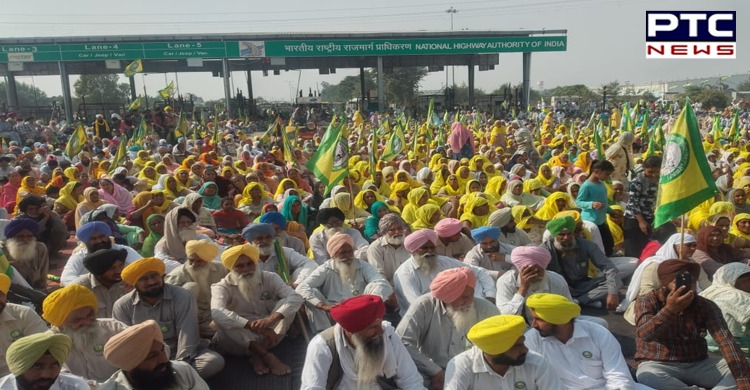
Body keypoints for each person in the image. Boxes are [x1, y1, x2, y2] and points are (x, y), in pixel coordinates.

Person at [635, 259, 750, 389]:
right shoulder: (647, 301)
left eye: (692, 282)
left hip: (699, 364)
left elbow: (726, 342)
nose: (687, 287)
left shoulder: (705, 305)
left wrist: (742, 378)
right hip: (659, 364)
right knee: (646, 375)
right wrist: (670, 310)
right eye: (679, 282)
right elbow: (645, 334)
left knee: (745, 366)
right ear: (664, 284)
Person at [113, 257, 225, 379]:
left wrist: (181, 364)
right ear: (134, 283)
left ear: (161, 276)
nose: (151, 282)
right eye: (144, 279)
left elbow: (187, 333)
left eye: (154, 276)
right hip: (146, 359)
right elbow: (127, 344)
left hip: (179, 354)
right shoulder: (122, 306)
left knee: (214, 362)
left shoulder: (181, 295)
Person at [396, 268, 500, 389]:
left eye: (471, 294)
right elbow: (402, 342)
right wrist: (435, 372)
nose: (469, 301)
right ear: (446, 297)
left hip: (473, 372)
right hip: (429, 372)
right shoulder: (424, 305)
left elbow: (499, 344)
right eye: (463, 297)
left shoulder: (486, 309)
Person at [211, 244, 303, 376]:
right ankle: (267, 356)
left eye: (250, 264)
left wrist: (271, 319)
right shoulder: (221, 286)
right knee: (222, 318)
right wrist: (248, 325)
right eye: (239, 266)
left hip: (269, 336)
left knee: (287, 304)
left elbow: (296, 298)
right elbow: (216, 312)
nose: (246, 269)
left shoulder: (269, 277)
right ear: (230, 268)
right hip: (238, 343)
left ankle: (258, 355)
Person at [300, 295, 424, 389]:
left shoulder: (388, 334)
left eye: (380, 324)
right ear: (350, 331)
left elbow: (410, 379)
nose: (380, 331)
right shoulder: (322, 346)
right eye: (373, 328)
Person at [524, 293, 642, 390]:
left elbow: (618, 376)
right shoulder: (532, 340)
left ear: (558, 320)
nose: (533, 324)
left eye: (539, 319)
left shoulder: (598, 333)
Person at [296, 233, 393, 334]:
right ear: (334, 254)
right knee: (312, 292)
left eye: (350, 252)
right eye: (343, 253)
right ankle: (325, 333)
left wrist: (366, 304)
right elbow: (302, 287)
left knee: (377, 285)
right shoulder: (325, 268)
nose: (348, 256)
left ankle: (370, 323)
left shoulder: (362, 265)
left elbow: (381, 282)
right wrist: (323, 306)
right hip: (333, 312)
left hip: (360, 311)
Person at [392, 229, 496, 316]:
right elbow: (417, 305)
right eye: (424, 248)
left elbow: (479, 272)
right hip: (426, 317)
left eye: (432, 247)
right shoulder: (405, 273)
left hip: (457, 309)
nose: (429, 251)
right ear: (413, 250)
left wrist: (490, 296)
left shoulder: (443, 261)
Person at [444, 314, 561, 390]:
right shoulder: (462, 365)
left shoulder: (537, 363)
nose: (525, 350)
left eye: (523, 343)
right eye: (517, 346)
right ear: (495, 351)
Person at [42, 284, 127, 384]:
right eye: (77, 320)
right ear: (60, 323)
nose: (86, 322)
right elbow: (64, 380)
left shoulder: (114, 328)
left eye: (90, 315)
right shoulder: (50, 344)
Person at [101, 319, 209, 390]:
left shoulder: (183, 371)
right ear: (131, 366)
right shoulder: (112, 388)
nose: (163, 359)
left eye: (162, 350)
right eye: (152, 356)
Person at [541, 216, 621, 309]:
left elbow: (609, 268)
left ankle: (578, 301)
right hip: (557, 288)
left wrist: (612, 293)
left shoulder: (586, 245)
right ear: (555, 235)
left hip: (582, 285)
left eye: (569, 234)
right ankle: (585, 300)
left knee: (616, 283)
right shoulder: (544, 250)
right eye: (562, 235)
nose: (566, 238)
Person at [164, 239, 227, 339]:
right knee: (190, 287)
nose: (194, 264)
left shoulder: (221, 269)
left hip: (219, 313)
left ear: (208, 259)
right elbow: (167, 305)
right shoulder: (176, 275)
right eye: (191, 260)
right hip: (192, 319)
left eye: (199, 261)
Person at [495, 246, 573, 322]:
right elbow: (504, 317)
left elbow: (569, 310)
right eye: (529, 271)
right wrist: (522, 290)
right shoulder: (506, 282)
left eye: (538, 271)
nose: (534, 275)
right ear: (519, 269)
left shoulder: (556, 280)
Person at [60, 221, 142, 286]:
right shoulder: (79, 256)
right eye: (93, 239)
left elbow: (142, 266)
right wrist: (88, 285)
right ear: (86, 242)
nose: (99, 241)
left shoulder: (122, 250)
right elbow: (66, 278)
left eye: (102, 237)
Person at [1, 333, 89, 389]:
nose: (46, 374)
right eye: (37, 366)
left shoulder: (75, 387)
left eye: (54, 365)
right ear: (17, 368)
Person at [0, 274, 48, 377]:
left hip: (33, 379)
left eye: (0, 294)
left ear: (6, 295)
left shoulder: (24, 315)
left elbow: (46, 350)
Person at [241, 223, 316, 286]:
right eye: (259, 239)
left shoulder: (282, 251)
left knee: (302, 270)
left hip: (282, 289)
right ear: (251, 241)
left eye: (268, 237)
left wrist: (296, 283)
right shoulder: (244, 256)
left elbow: (309, 263)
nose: (265, 241)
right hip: (254, 291)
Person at [700, 263, 750, 351]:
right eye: (747, 280)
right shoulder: (733, 296)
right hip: (730, 344)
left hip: (707, 344)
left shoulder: (710, 291)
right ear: (732, 281)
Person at [69, 248, 128, 318]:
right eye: (112, 268)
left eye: (120, 266)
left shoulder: (129, 283)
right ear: (99, 272)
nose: (118, 271)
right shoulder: (79, 288)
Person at [576, 160, 616, 256]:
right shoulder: (586, 186)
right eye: (606, 174)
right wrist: (591, 204)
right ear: (597, 171)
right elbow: (578, 202)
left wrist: (610, 211)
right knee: (598, 245)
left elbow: (603, 202)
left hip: (601, 220)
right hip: (591, 221)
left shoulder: (601, 183)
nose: (607, 177)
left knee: (608, 243)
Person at [623, 156, 660, 257]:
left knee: (647, 247)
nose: (653, 174)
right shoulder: (638, 180)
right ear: (644, 168)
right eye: (650, 171)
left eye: (656, 172)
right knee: (633, 249)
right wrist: (641, 221)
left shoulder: (660, 179)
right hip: (635, 218)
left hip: (649, 216)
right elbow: (633, 202)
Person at [1, 218, 48, 291]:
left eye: (29, 236)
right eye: (20, 237)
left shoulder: (40, 248)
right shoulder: (2, 250)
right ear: (12, 238)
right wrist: (10, 267)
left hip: (34, 292)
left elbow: (42, 281)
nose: (25, 240)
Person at [366, 214, 411, 285]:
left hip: (411, 283)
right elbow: (378, 275)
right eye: (392, 230)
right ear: (384, 232)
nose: (397, 232)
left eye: (400, 228)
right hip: (388, 287)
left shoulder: (409, 244)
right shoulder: (376, 248)